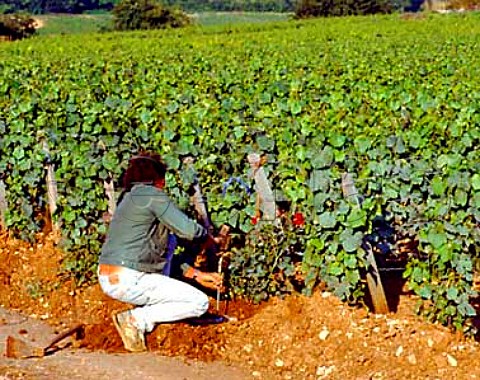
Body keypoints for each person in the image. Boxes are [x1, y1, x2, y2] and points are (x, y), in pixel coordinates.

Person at [98, 152, 223, 352]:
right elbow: (190, 231)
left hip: (111, 276)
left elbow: (155, 254)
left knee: (170, 238)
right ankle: (136, 319)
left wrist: (196, 274)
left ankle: (142, 316)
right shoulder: (151, 195)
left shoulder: (129, 199)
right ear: (158, 178)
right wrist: (208, 238)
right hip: (129, 277)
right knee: (199, 302)